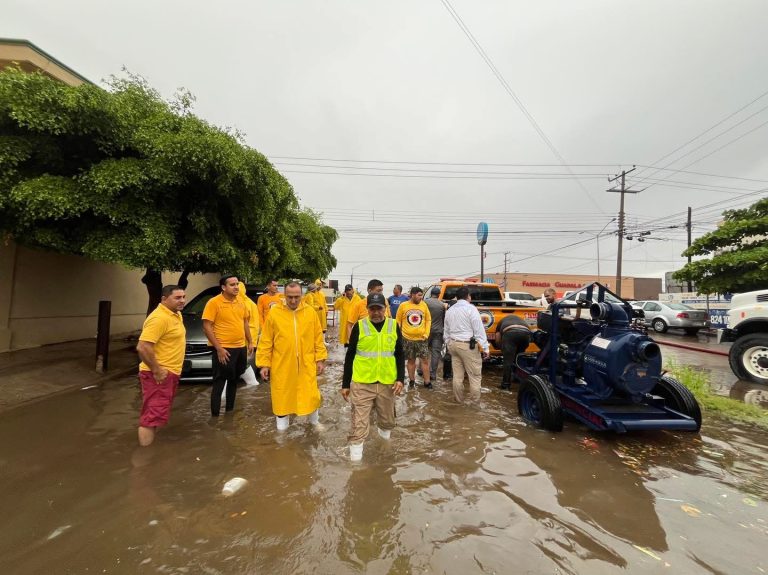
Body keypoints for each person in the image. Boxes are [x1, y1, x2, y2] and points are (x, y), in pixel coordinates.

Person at [342, 293, 405, 462]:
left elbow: (399, 354)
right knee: (359, 426)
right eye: (372, 309)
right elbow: (350, 355)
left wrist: (400, 379)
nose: (376, 312)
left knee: (387, 422)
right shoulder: (359, 326)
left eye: (379, 309)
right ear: (367, 309)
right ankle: (356, 468)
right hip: (362, 383)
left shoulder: (394, 326)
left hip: (387, 383)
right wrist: (345, 383)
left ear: (386, 309)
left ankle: (383, 456)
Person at [257, 281, 327, 431]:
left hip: (306, 363)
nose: (293, 301)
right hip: (282, 364)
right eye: (290, 297)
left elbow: (318, 338)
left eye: (296, 297)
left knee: (311, 394)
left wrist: (320, 359)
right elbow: (266, 340)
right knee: (282, 395)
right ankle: (281, 430)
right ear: (284, 296)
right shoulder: (274, 313)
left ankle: (314, 423)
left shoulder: (310, 312)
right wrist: (264, 364)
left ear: (301, 295)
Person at [136, 285, 186, 446]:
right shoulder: (159, 318)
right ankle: (145, 462)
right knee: (151, 416)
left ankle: (150, 453)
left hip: (169, 373)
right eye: (177, 298)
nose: (182, 301)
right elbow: (143, 346)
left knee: (158, 414)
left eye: (183, 297)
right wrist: (157, 370)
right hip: (158, 375)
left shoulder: (175, 315)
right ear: (164, 299)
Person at [202, 275, 253, 417]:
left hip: (240, 347)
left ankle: (229, 413)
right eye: (232, 284)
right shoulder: (214, 302)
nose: (236, 287)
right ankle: (215, 417)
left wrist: (250, 342)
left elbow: (245, 323)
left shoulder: (241, 302)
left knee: (234, 380)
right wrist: (218, 348)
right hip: (223, 349)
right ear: (223, 287)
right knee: (219, 382)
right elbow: (206, 327)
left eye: (237, 284)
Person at [444, 286, 490, 404]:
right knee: (474, 376)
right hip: (467, 346)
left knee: (458, 377)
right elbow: (479, 329)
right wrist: (485, 348)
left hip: (453, 345)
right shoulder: (471, 309)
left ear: (457, 297)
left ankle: (458, 402)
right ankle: (474, 405)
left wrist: (448, 343)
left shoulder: (450, 310)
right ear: (468, 296)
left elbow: (446, 331)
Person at [396, 286, 433, 389]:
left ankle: (427, 382)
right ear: (412, 295)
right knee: (411, 361)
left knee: (425, 360)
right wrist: (398, 335)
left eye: (422, 295)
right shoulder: (403, 305)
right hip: (407, 338)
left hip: (422, 339)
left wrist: (426, 333)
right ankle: (412, 381)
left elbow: (428, 320)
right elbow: (398, 321)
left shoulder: (424, 305)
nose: (421, 297)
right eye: (419, 295)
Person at [494, 314, 532, 390]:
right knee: (519, 358)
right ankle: (518, 379)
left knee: (508, 361)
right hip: (526, 334)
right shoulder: (520, 319)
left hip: (510, 333)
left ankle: (505, 385)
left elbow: (497, 339)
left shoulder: (501, 322)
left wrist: (503, 350)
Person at [237, 280, 260, 386]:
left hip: (243, 343)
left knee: (239, 365)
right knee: (239, 366)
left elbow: (253, 326)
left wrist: (252, 343)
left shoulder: (248, 305)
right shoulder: (230, 303)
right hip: (235, 343)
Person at [425, 286, 448, 381]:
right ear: (439, 295)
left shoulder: (425, 303)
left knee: (424, 352)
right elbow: (444, 319)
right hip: (438, 331)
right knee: (436, 353)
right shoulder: (442, 305)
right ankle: (432, 374)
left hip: (426, 331)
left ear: (431, 294)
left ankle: (421, 371)